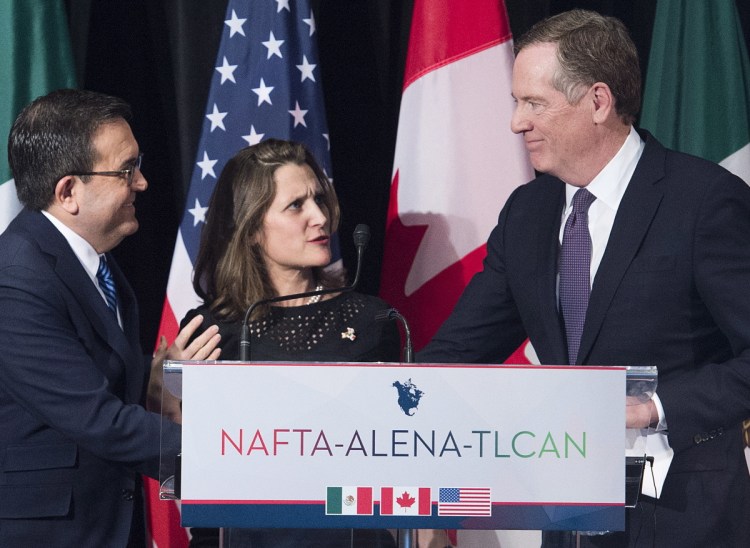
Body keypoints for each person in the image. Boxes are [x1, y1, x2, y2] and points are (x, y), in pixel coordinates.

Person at [418, 9, 750, 548]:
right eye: (516, 102)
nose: (516, 122)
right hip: (571, 514)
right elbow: (459, 350)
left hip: (684, 515)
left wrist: (655, 406)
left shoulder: (703, 202)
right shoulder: (527, 213)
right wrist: (367, 395)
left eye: (534, 103)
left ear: (598, 101)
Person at [0, 89, 221, 547]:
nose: (141, 182)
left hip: (107, 524)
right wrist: (235, 449)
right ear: (68, 192)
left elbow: (99, 374)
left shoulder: (96, 262)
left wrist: (152, 381)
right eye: (126, 170)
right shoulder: (16, 277)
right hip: (50, 534)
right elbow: (95, 417)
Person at [179, 138, 400, 548]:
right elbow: (189, 459)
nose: (320, 217)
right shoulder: (211, 331)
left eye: (319, 199)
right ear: (250, 230)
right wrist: (166, 398)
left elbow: (406, 447)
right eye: (296, 205)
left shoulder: (373, 320)